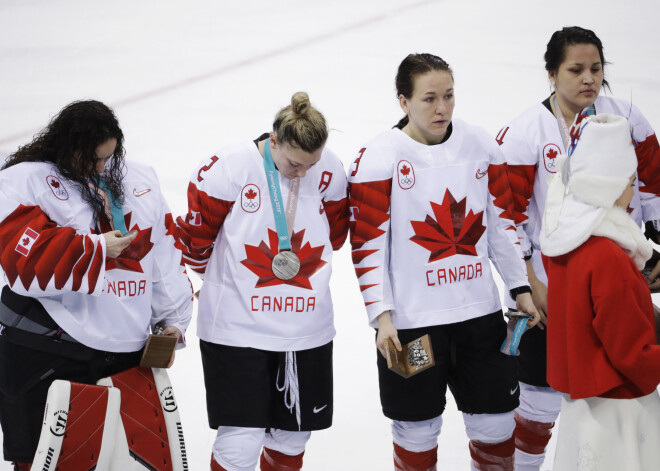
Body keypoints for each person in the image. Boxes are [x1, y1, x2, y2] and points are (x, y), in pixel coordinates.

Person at [348, 53, 540, 471]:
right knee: (415, 430)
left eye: (449, 96)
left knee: (495, 426)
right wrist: (381, 317)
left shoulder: (482, 145)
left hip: (481, 324)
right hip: (413, 332)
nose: (442, 108)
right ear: (403, 102)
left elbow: (501, 224)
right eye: (429, 99)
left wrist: (519, 288)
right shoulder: (377, 158)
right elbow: (367, 247)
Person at [496, 26, 660, 470]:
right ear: (551, 73)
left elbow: (651, 186)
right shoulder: (524, 133)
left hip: (612, 272)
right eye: (576, 70)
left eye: (596, 69)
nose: (588, 78)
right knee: (540, 393)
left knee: (611, 379)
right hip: (553, 281)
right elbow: (505, 219)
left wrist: (655, 249)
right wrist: (528, 285)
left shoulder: (624, 116)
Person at [0, 100, 193, 469]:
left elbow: (164, 258)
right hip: (47, 350)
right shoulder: (22, 180)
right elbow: (21, 264)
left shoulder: (140, 178)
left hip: (125, 355)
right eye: (94, 158)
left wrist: (174, 319)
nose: (103, 167)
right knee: (47, 462)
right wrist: (97, 247)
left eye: (109, 156)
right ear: (69, 146)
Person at [176, 91, 349, 471]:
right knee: (240, 440)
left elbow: (336, 235)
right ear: (273, 141)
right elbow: (194, 242)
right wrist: (224, 280)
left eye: (311, 163)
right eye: (293, 163)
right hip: (237, 330)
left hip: (305, 329)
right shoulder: (229, 168)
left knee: (292, 439)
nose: (302, 172)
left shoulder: (331, 170)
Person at [540, 113, 660, 470]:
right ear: (607, 184)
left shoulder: (564, 242)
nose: (633, 191)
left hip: (582, 407)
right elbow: (631, 354)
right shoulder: (609, 258)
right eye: (629, 181)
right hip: (619, 411)